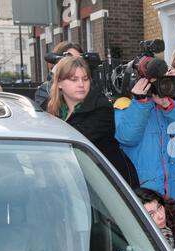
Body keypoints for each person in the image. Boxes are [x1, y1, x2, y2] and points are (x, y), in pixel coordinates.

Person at [47, 56, 139, 188]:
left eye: (85, 79)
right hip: (73, 180)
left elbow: (71, 142)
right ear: (59, 83)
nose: (81, 84)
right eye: (74, 79)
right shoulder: (52, 109)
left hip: (107, 184)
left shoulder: (101, 108)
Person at [114, 76, 175, 213]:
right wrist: (141, 103)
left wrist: (167, 105)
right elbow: (126, 137)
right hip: (145, 200)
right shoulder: (126, 107)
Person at [35, 41, 84, 110]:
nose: (75, 64)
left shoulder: (85, 85)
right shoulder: (44, 89)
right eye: (69, 60)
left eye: (79, 60)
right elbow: (46, 112)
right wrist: (55, 76)